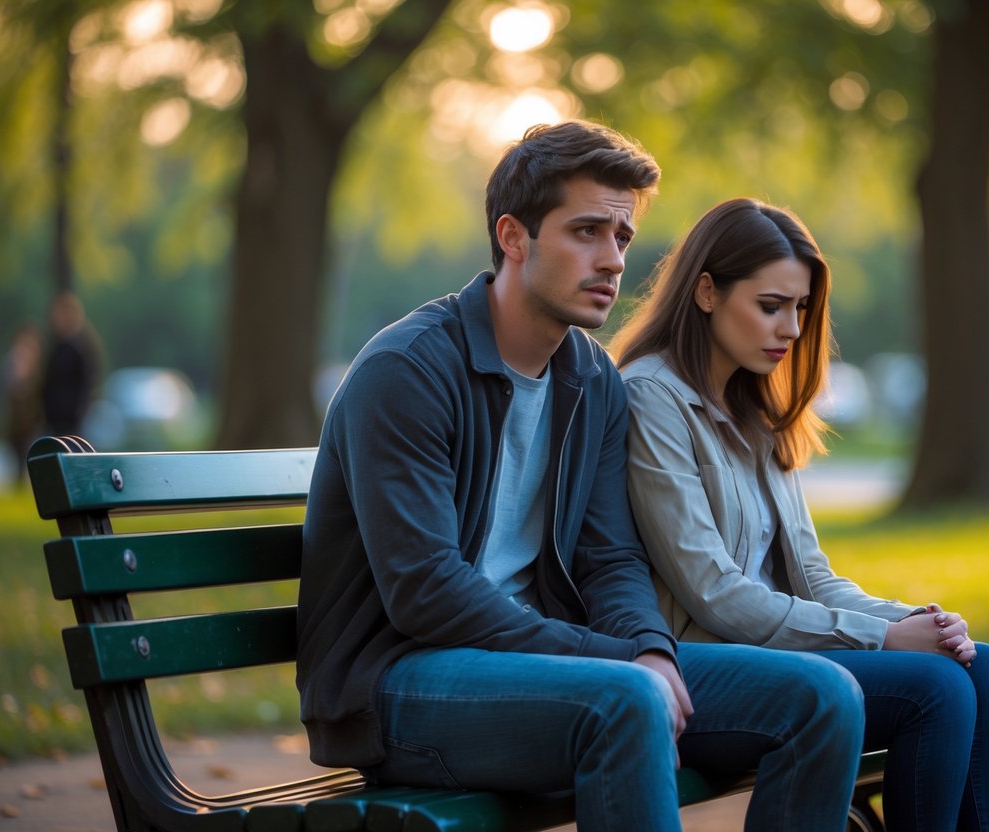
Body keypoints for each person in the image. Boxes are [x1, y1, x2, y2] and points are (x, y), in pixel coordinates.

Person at [296, 124, 868, 832]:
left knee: (822, 698)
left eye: (622, 238)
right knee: (624, 701)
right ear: (513, 237)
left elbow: (609, 557)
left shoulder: (589, 377)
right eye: (587, 232)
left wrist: (650, 648)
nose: (612, 260)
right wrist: (623, 661)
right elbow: (425, 591)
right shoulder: (409, 371)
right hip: (400, 684)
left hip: (547, 669)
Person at [613, 197, 989, 832]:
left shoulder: (755, 409)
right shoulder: (652, 398)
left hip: (771, 653)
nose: (792, 330)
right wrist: (883, 638)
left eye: (799, 309)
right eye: (771, 306)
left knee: (985, 669)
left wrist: (922, 623)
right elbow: (715, 593)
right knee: (933, 690)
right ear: (705, 292)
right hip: (692, 665)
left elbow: (811, 574)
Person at [41, 291, 103, 437]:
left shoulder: (81, 348)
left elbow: (87, 384)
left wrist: (78, 413)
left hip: (73, 422)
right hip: (55, 421)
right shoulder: (55, 347)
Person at [0, 323, 43, 485]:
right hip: (16, 421)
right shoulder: (11, 362)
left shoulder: (38, 363)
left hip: (32, 419)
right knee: (17, 455)